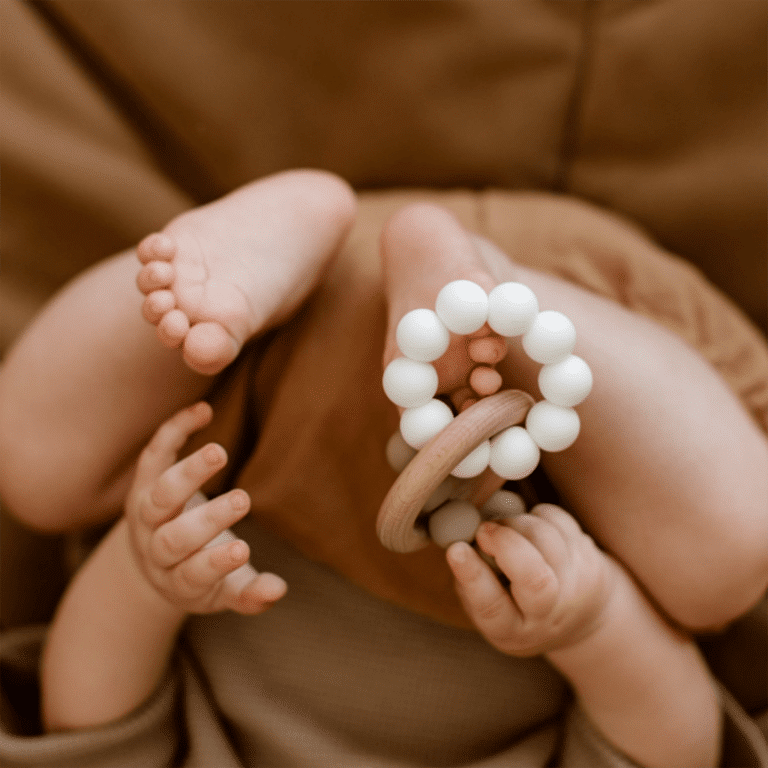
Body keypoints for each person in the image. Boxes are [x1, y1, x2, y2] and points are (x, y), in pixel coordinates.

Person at [2, 167, 766, 767]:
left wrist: (147, 572)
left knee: (32, 461)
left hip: (271, 394)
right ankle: (494, 293)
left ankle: (286, 234)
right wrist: (594, 621)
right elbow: (671, 749)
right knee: (729, 560)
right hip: (555, 424)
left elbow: (87, 716)